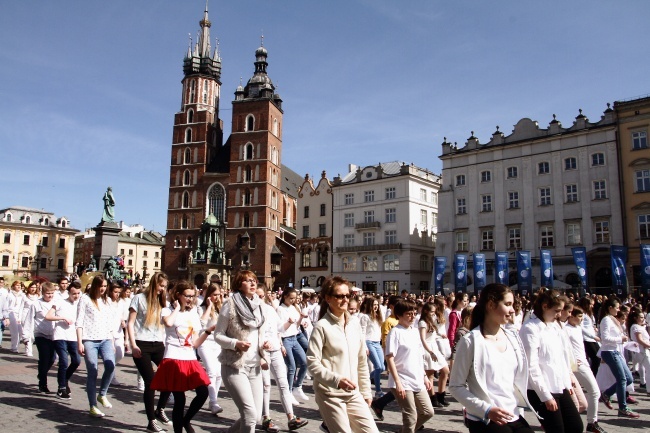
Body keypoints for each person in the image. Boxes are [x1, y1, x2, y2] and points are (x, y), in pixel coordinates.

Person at [449, 283, 537, 433]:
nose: (512, 310)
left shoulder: (512, 336)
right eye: (508, 304)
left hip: (514, 414)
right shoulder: (471, 341)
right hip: (485, 418)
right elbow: (456, 386)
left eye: (513, 305)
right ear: (491, 305)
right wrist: (486, 409)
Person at [307, 276, 379, 433]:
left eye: (348, 295)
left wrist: (366, 391)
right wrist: (336, 380)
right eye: (339, 296)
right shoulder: (322, 326)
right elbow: (312, 363)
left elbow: (361, 361)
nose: (345, 299)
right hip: (330, 394)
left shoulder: (354, 324)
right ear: (328, 298)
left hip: (353, 393)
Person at [150, 280, 212, 433]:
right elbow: (169, 323)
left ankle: (186, 420)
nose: (190, 299)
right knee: (180, 399)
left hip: (190, 358)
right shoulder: (166, 310)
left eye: (193, 296)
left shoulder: (194, 312)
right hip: (173, 358)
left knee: (203, 392)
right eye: (187, 296)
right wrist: (177, 309)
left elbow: (195, 343)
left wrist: (208, 331)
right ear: (178, 295)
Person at [520, 289, 583, 432]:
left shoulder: (553, 326)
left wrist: (567, 382)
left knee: (575, 426)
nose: (559, 315)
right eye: (556, 311)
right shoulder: (530, 328)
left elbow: (561, 356)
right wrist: (545, 396)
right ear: (545, 306)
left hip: (559, 384)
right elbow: (531, 366)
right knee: (556, 429)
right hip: (540, 389)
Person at [214, 270, 269, 433]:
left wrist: (264, 346)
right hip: (235, 365)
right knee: (250, 415)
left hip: (255, 366)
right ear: (239, 284)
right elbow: (218, 335)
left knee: (256, 416)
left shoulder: (261, 306)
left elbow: (260, 333)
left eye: (254, 280)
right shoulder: (230, 304)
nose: (253, 283)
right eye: (247, 281)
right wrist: (235, 343)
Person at [257, 284, 308, 432]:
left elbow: (278, 329)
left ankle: (291, 418)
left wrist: (288, 325)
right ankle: (266, 418)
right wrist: (260, 349)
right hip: (262, 352)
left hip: (276, 349)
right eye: (257, 296)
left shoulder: (271, 310)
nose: (259, 299)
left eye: (261, 296)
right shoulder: (252, 312)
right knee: (266, 386)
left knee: (283, 384)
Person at [128, 272, 172, 432]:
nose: (163, 289)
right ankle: (151, 421)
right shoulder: (139, 298)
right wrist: (132, 345)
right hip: (141, 344)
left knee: (169, 377)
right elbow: (130, 323)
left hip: (158, 344)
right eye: (161, 286)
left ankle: (159, 409)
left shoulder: (162, 301)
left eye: (165, 287)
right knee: (151, 382)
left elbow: (167, 323)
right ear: (155, 284)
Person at [385, 299, 435, 433]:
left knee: (427, 411)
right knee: (410, 415)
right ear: (399, 315)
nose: (413, 317)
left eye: (414, 313)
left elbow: (419, 356)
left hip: (417, 378)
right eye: (409, 314)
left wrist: (424, 376)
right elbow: (390, 357)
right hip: (402, 379)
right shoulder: (395, 332)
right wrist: (397, 382)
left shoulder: (414, 331)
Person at [76, 275, 115, 418]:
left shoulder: (108, 301)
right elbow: (79, 321)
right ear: (95, 286)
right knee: (93, 370)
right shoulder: (85, 299)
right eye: (101, 286)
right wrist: (79, 342)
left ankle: (102, 394)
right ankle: (93, 405)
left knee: (111, 365)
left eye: (105, 286)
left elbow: (109, 322)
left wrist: (111, 340)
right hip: (89, 339)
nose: (103, 289)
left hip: (105, 338)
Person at [565, 305, 608, 433]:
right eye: (579, 317)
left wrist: (600, 347)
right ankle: (592, 422)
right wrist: (570, 361)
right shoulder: (565, 329)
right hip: (577, 365)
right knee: (594, 392)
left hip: (584, 362)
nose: (581, 320)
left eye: (582, 317)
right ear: (571, 316)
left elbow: (589, 334)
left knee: (588, 397)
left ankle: (590, 422)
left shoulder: (578, 327)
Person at [598, 297, 639, 418]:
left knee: (629, 378)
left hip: (615, 351)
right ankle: (623, 407)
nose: (618, 309)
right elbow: (604, 338)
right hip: (609, 351)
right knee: (622, 379)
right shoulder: (606, 320)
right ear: (610, 308)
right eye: (616, 307)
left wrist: (625, 341)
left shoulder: (612, 319)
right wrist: (620, 339)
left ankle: (606, 394)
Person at [45, 281, 82, 399]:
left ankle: (65, 379)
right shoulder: (60, 302)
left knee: (76, 360)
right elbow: (48, 316)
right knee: (64, 361)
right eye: (73, 293)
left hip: (73, 336)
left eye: (78, 293)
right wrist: (62, 318)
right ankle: (61, 389)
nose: (76, 296)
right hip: (60, 335)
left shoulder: (80, 305)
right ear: (68, 293)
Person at [22, 281, 57, 393]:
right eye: (48, 293)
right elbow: (29, 320)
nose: (50, 296)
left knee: (52, 358)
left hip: (53, 335)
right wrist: (26, 336)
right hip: (40, 334)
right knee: (44, 358)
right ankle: (43, 384)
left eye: (52, 293)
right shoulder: (36, 304)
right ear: (43, 293)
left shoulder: (56, 303)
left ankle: (41, 373)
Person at [277, 288, 309, 404]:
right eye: (291, 298)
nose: (293, 300)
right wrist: (288, 322)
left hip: (295, 338)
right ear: (284, 296)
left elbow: (297, 325)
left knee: (305, 362)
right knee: (292, 367)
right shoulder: (280, 309)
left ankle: (298, 387)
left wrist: (301, 319)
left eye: (294, 298)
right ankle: (288, 392)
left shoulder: (293, 307)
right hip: (285, 339)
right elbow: (280, 328)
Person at [197, 283, 224, 415]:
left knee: (219, 374)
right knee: (212, 372)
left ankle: (213, 400)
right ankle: (213, 402)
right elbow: (201, 323)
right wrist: (209, 307)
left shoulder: (221, 308)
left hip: (217, 344)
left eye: (219, 294)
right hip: (204, 342)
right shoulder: (201, 308)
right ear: (209, 296)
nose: (217, 297)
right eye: (214, 295)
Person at [418, 301, 450, 408]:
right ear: (426, 311)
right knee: (430, 374)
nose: (434, 313)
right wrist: (430, 352)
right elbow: (423, 339)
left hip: (434, 347)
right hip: (427, 348)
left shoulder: (431, 320)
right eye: (432, 312)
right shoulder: (422, 322)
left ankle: (441, 394)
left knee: (445, 370)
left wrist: (441, 334)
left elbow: (433, 333)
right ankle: (432, 398)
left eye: (434, 311)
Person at [359, 297, 385, 399]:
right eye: (374, 305)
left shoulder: (378, 316)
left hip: (377, 343)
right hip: (369, 342)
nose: (376, 307)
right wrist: (364, 346)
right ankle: (378, 391)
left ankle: (366, 379)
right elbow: (362, 332)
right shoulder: (365, 317)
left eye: (377, 305)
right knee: (378, 367)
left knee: (382, 367)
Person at [107, 281, 127, 386]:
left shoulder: (122, 302)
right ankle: (111, 376)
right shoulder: (106, 302)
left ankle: (109, 369)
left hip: (119, 332)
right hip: (109, 332)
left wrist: (123, 321)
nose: (117, 294)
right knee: (111, 355)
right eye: (115, 292)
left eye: (119, 292)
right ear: (110, 291)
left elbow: (123, 315)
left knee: (120, 354)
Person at [627, 309, 650, 393]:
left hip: (643, 350)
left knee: (647, 368)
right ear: (635, 318)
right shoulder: (635, 327)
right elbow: (639, 340)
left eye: (643, 317)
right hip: (642, 351)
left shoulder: (638, 326)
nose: (643, 319)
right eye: (641, 317)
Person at [577, 297, 601, 377]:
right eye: (590, 304)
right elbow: (581, 327)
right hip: (587, 339)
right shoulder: (582, 314)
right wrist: (593, 336)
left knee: (598, 357)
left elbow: (589, 325)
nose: (592, 306)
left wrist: (594, 328)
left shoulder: (588, 313)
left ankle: (594, 376)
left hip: (592, 338)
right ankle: (593, 376)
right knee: (595, 358)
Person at [3, 281, 25, 353]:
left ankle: (16, 346)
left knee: (21, 332)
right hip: (11, 313)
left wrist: (20, 316)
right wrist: (6, 316)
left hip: (19, 314)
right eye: (17, 285)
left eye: (20, 285)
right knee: (15, 332)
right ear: (13, 286)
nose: (18, 287)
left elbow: (23, 306)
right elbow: (6, 305)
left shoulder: (22, 295)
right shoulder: (10, 295)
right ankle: (14, 347)